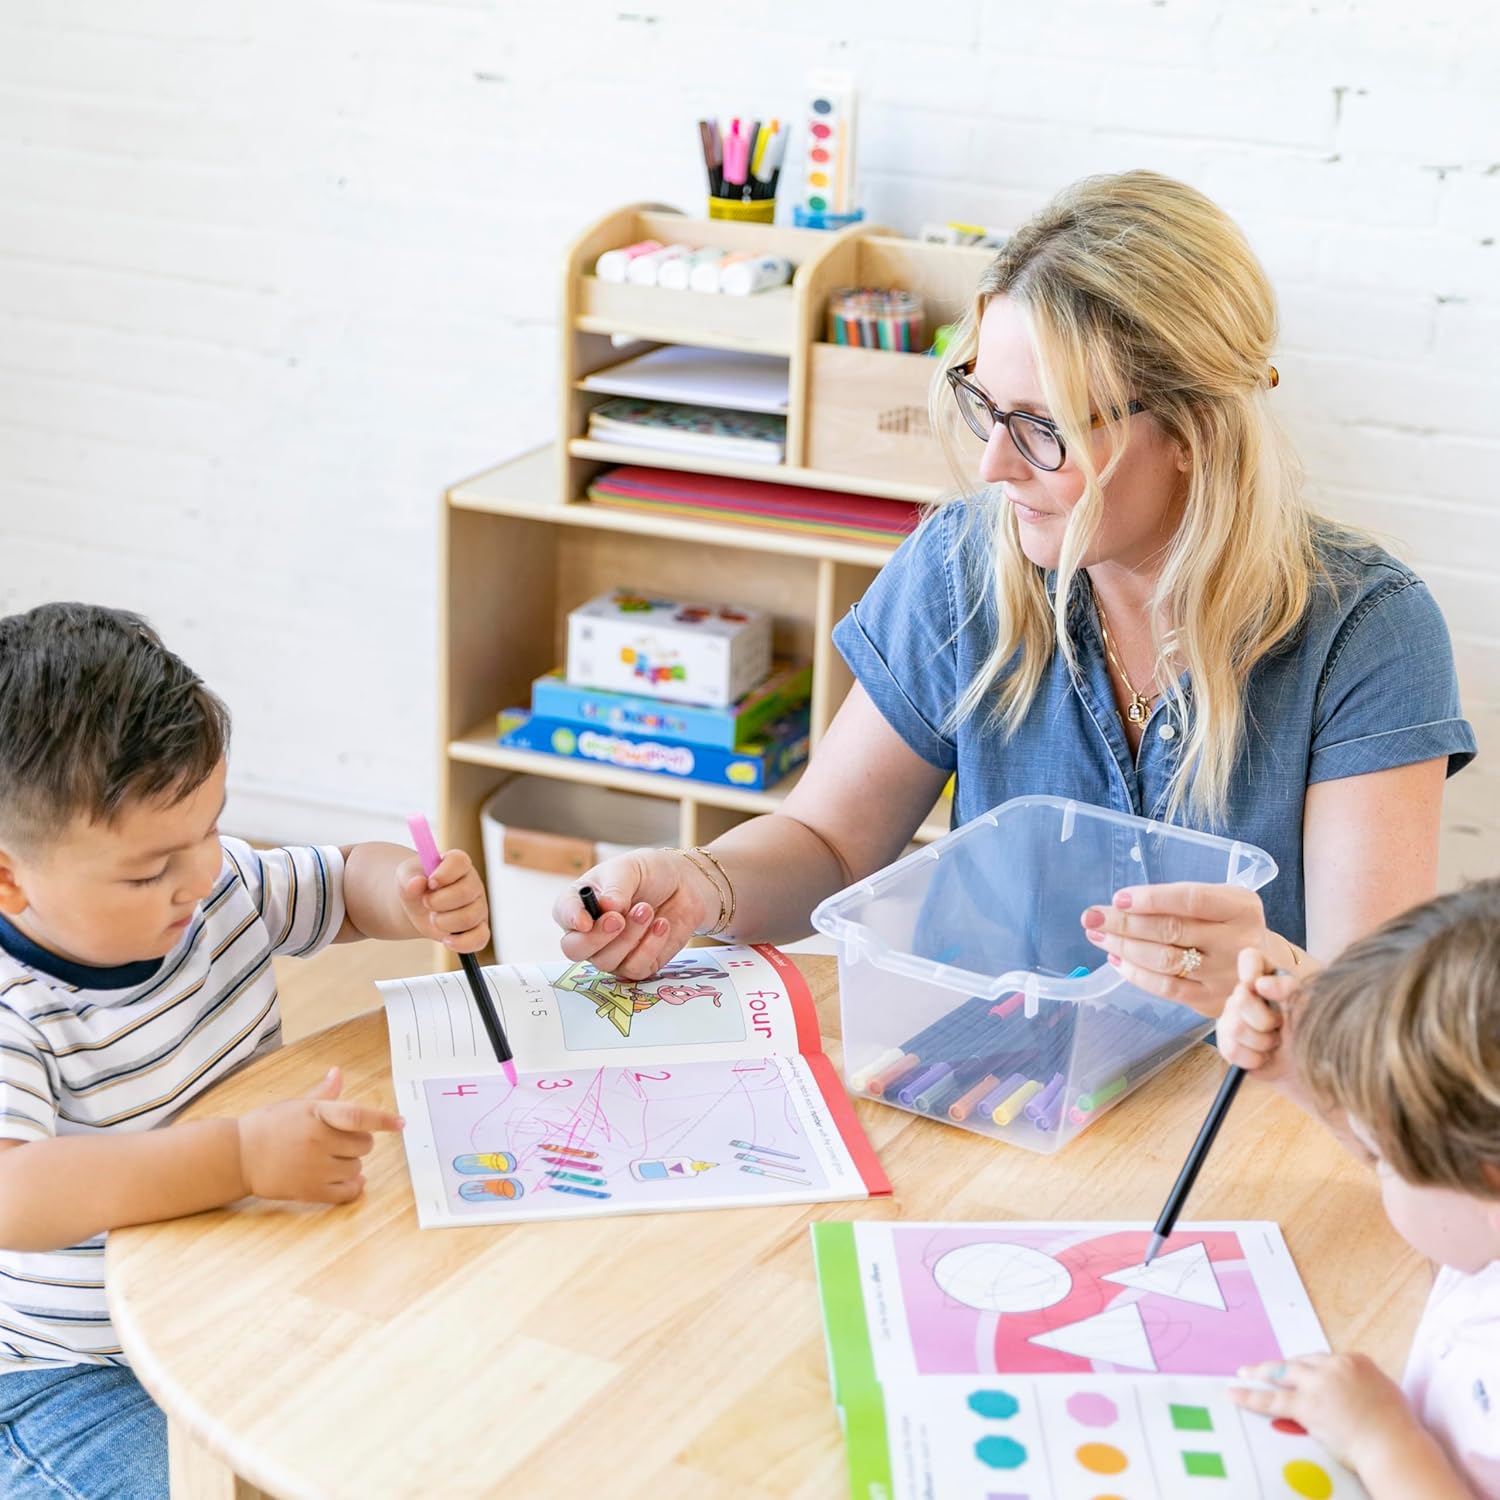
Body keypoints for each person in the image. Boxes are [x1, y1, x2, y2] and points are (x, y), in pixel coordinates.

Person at [555, 171, 1473, 1008]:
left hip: (1237, 1119)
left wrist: (1272, 978)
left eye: (1043, 427)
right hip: (992, 1083)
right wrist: (699, 884)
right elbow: (830, 845)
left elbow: (1375, 1020)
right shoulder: (965, 565)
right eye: (986, 408)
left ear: (1193, 428)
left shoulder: (1367, 634)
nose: (994, 464)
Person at [0, 603, 490, 1500]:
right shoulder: (14, 1007)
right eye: (150, 870)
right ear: (8, 875)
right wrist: (239, 1156)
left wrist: (405, 892)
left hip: (233, 1290)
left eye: (213, 827)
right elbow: (16, 1193)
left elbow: (341, 885)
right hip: (71, 1374)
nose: (199, 877)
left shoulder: (214, 886)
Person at [1221, 880, 1500, 1499]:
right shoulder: (1481, 1238)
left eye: (1380, 1158)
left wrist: (1383, 1439)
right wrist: (1296, 1068)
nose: (1368, 1161)